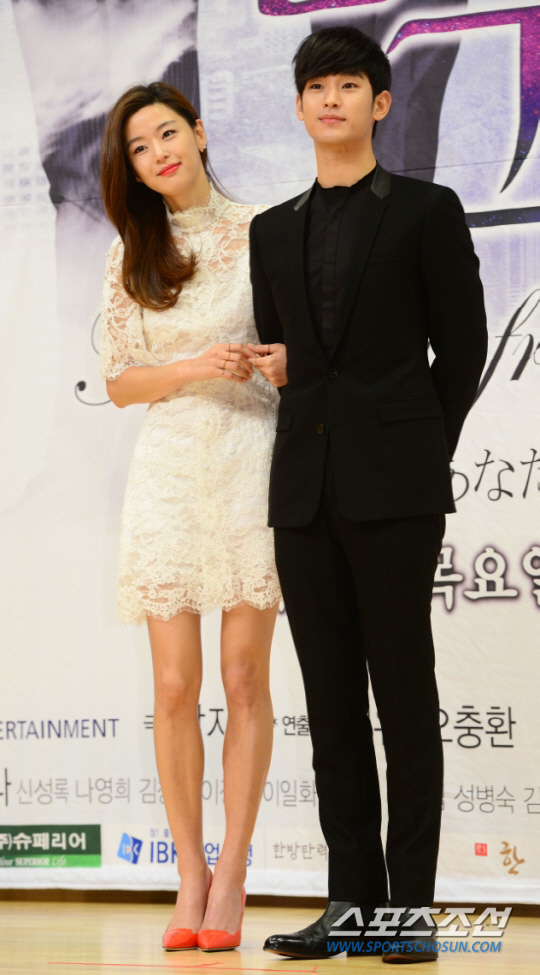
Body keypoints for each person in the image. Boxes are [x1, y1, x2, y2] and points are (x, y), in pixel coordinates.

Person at [249, 27, 488, 963]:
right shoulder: (273, 229)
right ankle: (351, 904)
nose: (331, 99)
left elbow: (461, 349)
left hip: (396, 490)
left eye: (349, 85)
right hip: (302, 491)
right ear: (299, 106)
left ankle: (410, 911)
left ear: (380, 104)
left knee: (404, 693)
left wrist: (417, 454)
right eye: (317, 87)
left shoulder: (428, 209)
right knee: (332, 703)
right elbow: (291, 358)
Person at [100, 82, 286, 952]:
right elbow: (120, 382)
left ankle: (235, 871)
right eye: (139, 148)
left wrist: (274, 363)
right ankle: (189, 872)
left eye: (167, 133)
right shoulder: (131, 252)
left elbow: (299, 346)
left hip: (252, 457)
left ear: (200, 133)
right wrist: (191, 366)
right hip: (169, 471)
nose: (158, 154)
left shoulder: (264, 230)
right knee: (174, 686)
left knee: (244, 677)